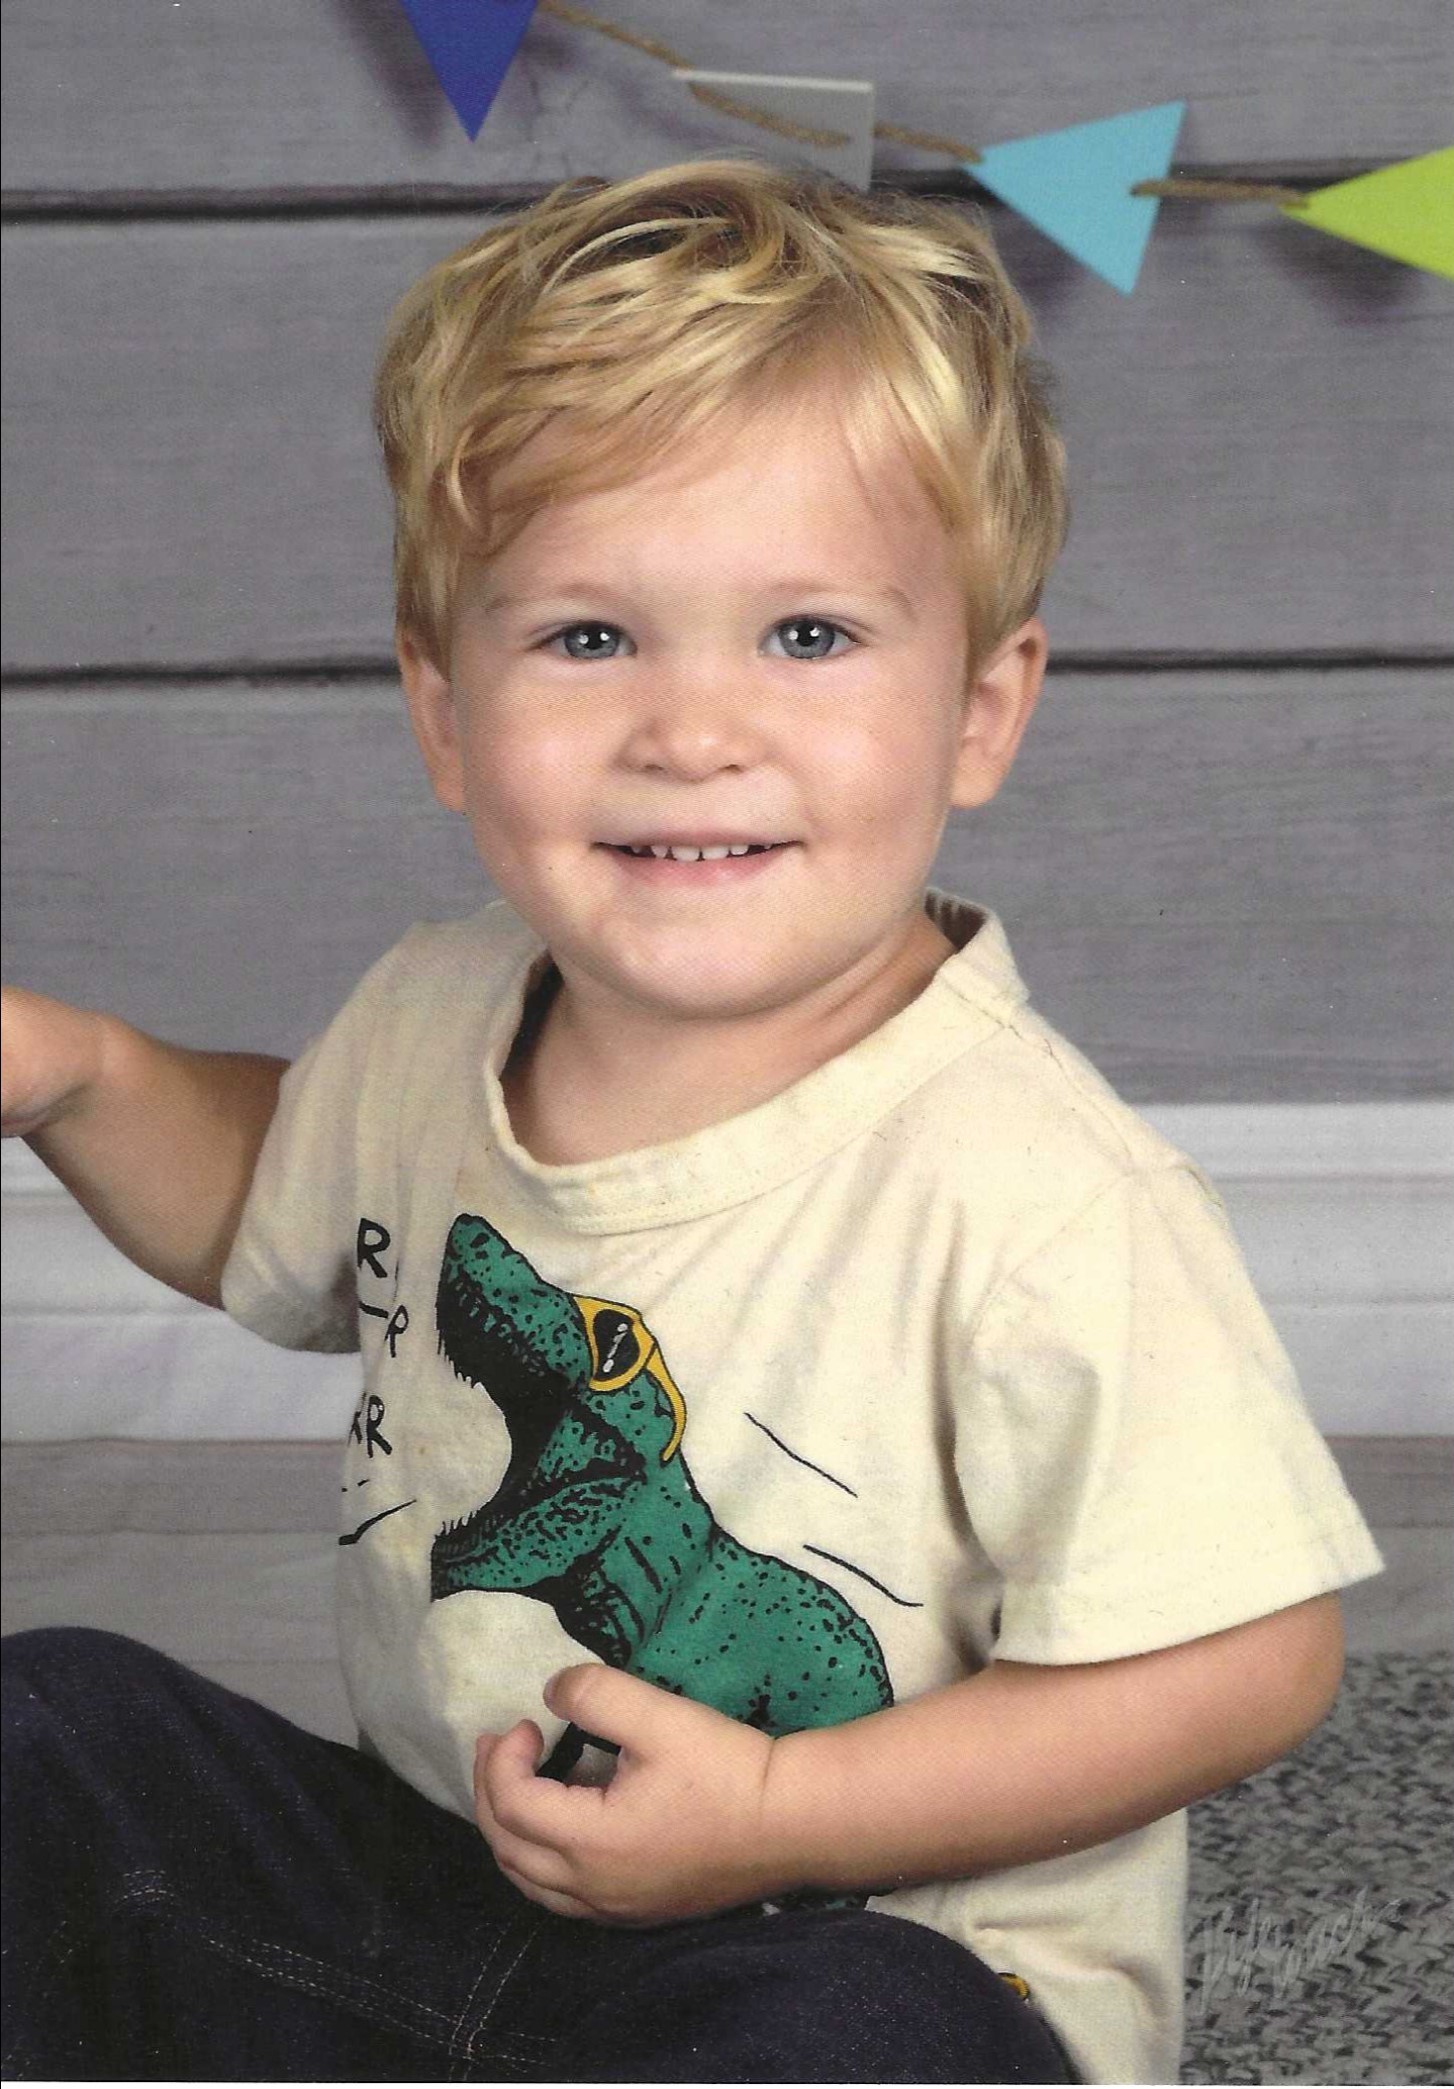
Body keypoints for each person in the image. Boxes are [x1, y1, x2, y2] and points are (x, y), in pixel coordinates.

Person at [1, 156, 1383, 2084]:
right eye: (589, 637)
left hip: (858, 1947)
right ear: (443, 709)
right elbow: (281, 1211)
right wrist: (75, 1070)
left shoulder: (1037, 1195)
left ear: (979, 710)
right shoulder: (433, 1010)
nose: (691, 729)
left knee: (849, 2041)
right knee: (50, 1724)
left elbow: (1249, 1660)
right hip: (455, 1875)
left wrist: (778, 1813)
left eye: (806, 634)